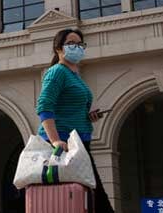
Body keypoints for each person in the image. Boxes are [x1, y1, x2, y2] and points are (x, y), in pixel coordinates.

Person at [36, 28, 114, 213]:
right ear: (58, 49)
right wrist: (55, 140)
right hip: (64, 144)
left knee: (87, 195)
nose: (77, 47)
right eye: (71, 43)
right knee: (91, 196)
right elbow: (44, 106)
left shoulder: (75, 75)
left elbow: (69, 109)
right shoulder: (57, 72)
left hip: (79, 141)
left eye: (80, 44)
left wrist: (88, 116)